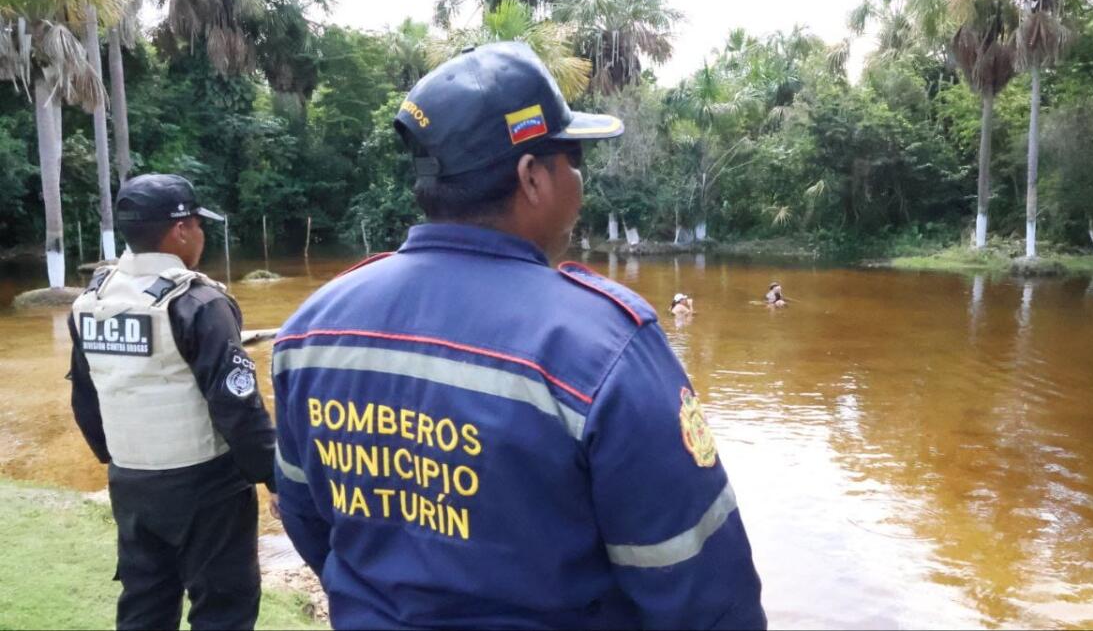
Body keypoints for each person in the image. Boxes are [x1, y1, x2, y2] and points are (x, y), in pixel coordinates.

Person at [272, 42, 765, 629]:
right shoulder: (604, 349)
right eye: (573, 161)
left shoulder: (311, 329)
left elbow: (307, 518)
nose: (580, 182)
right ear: (532, 177)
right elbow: (701, 587)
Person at [68, 174, 277, 630]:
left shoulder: (92, 299)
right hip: (207, 487)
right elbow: (237, 404)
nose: (201, 234)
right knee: (224, 606)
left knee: (145, 602)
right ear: (181, 230)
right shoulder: (197, 301)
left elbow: (85, 396)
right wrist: (274, 475)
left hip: (131, 484)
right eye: (198, 224)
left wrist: (118, 458)